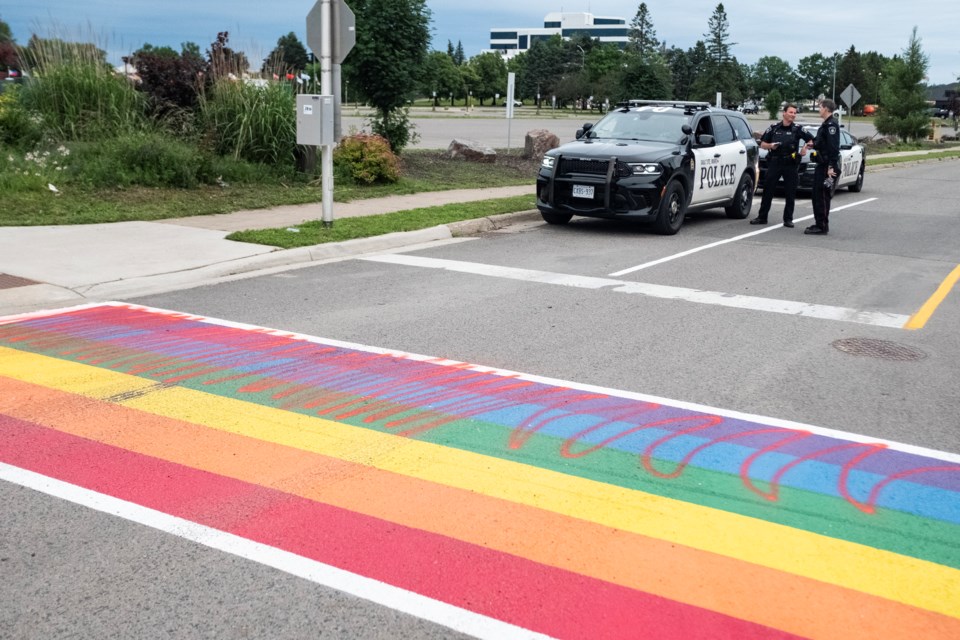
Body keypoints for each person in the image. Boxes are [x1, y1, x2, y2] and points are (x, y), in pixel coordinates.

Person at [750, 104, 815, 227]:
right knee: (768, 190)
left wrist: (805, 148)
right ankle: (762, 217)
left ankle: (788, 219)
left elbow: (811, 140)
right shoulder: (774, 128)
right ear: (784, 113)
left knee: (790, 192)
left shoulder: (798, 129)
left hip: (790, 163)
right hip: (775, 162)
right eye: (791, 112)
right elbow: (763, 143)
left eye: (795, 113)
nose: (793, 115)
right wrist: (771, 146)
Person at [805, 99, 841, 235]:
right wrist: (812, 144)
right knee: (816, 195)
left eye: (820, 107)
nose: (819, 109)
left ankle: (822, 226)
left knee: (822, 195)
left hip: (827, 166)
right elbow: (821, 142)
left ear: (826, 109)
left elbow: (833, 148)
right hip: (821, 164)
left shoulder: (831, 125)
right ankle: (818, 222)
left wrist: (831, 166)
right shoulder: (825, 124)